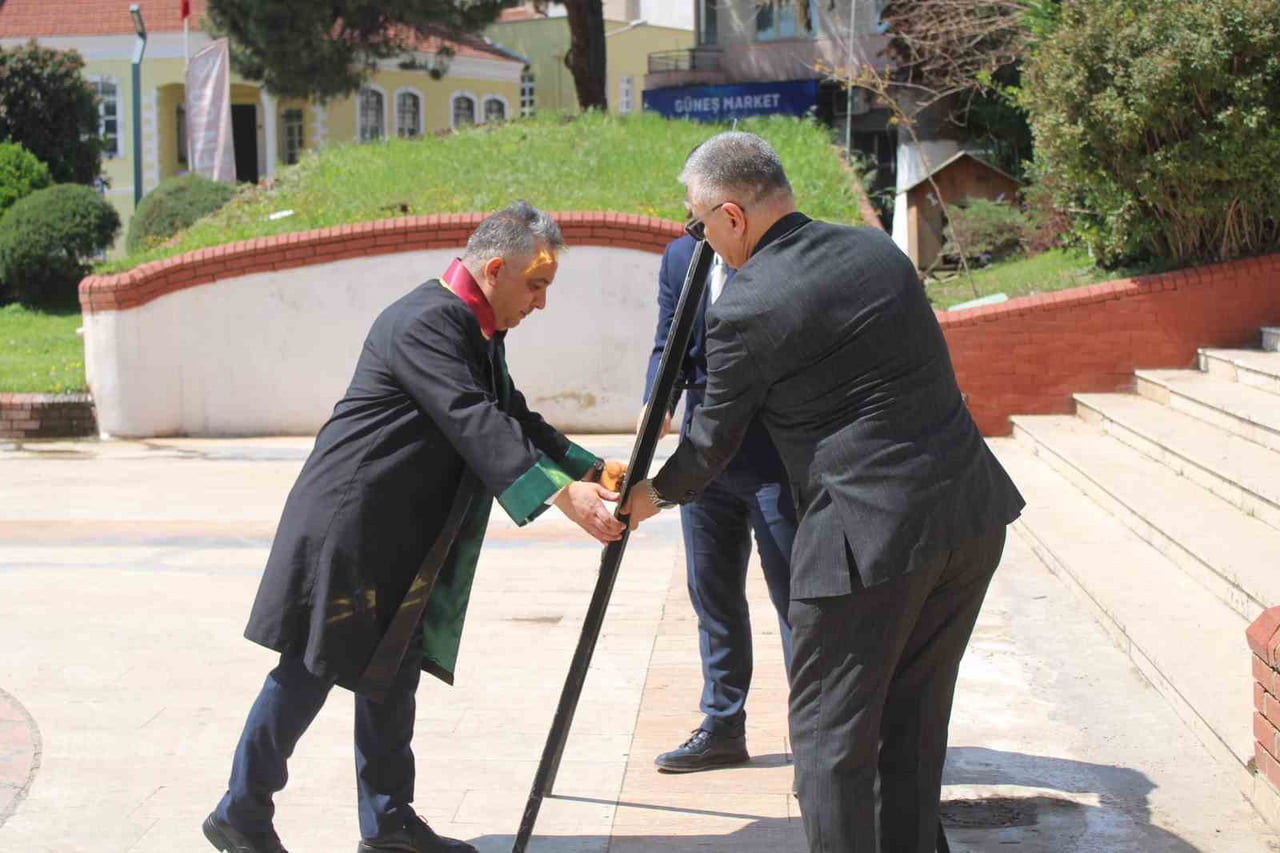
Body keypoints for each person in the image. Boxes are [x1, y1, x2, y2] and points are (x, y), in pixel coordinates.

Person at [624, 133, 1025, 852]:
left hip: (867, 542)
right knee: (913, 730)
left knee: (828, 746)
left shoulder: (745, 305)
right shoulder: (875, 252)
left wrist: (647, 496)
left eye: (699, 223)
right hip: (967, 516)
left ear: (734, 216)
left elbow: (710, 444)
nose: (698, 238)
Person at [203, 202, 627, 853]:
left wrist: (594, 468)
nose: (541, 303)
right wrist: (562, 496)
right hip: (349, 524)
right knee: (311, 667)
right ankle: (242, 809)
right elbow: (471, 419)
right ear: (494, 268)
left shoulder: (476, 330)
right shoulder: (426, 321)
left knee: (391, 671)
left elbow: (513, 415)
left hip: (398, 531)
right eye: (536, 284)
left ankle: (389, 821)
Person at [641, 234, 796, 772]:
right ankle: (722, 726)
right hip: (702, 456)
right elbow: (669, 340)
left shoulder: (786, 255)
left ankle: (819, 734)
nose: (694, 224)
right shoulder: (683, 257)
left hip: (775, 457)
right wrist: (654, 402)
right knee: (713, 595)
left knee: (799, 598)